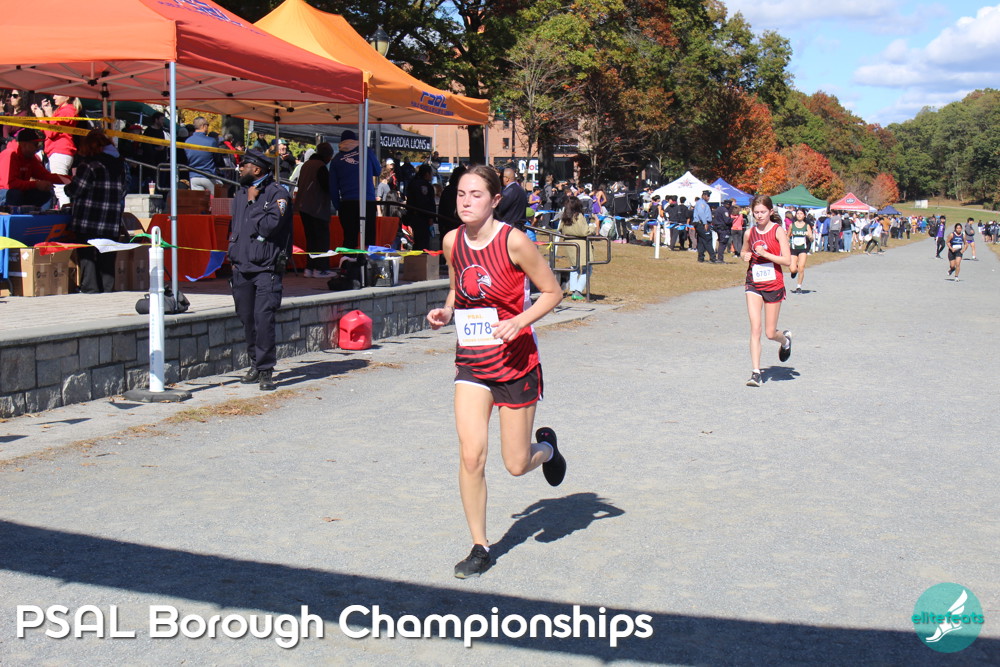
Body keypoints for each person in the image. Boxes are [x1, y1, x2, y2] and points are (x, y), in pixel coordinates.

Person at [425, 164, 565, 579]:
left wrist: (520, 321)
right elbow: (458, 288)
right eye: (460, 194)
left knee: (516, 464)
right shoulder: (452, 241)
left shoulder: (514, 242)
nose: (466, 202)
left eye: (476, 195)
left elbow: (552, 291)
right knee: (471, 455)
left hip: (516, 361)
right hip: (472, 360)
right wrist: (446, 310)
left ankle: (548, 450)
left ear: (494, 200)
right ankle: (480, 546)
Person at [228, 150, 293, 392]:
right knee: (247, 318)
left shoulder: (278, 193)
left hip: (266, 267)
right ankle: (254, 363)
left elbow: (269, 226)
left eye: (243, 165)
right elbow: (235, 227)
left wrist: (253, 203)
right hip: (241, 266)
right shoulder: (241, 193)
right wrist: (233, 254)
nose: (239, 169)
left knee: (263, 318)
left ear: (256, 169)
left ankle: (266, 370)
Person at [63, 130, 128, 294]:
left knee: (87, 255)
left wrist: (66, 187)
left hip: (89, 219)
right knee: (107, 257)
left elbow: (75, 190)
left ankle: (90, 288)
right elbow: (124, 190)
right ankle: (107, 290)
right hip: (111, 219)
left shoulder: (89, 165)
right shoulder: (121, 165)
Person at [741, 195, 792, 387]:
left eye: (763, 212)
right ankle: (756, 372)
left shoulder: (778, 231)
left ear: (771, 212)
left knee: (770, 333)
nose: (759, 215)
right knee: (755, 328)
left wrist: (766, 254)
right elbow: (743, 251)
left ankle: (785, 341)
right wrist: (744, 255)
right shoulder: (749, 233)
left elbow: (787, 260)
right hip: (753, 283)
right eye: (756, 212)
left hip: (773, 284)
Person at [328, 130, 380, 250]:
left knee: (349, 239)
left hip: (347, 203)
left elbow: (333, 187)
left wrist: (338, 206)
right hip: (367, 201)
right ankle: (366, 261)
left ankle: (348, 261)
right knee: (369, 239)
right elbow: (378, 171)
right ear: (356, 140)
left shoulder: (336, 160)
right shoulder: (366, 151)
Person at [32, 94, 80, 207]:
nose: (53, 97)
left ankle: (65, 212)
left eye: (57, 94)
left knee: (60, 188)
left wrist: (42, 117)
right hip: (57, 152)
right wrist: (48, 114)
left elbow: (51, 132)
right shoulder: (63, 111)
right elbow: (50, 129)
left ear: (67, 97)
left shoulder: (67, 111)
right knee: (58, 187)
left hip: (60, 152)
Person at [295, 141, 334, 278]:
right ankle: (320, 268)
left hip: (303, 206)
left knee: (310, 238)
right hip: (316, 207)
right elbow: (326, 186)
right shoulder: (320, 167)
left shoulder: (306, 165)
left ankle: (309, 268)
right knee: (321, 238)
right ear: (327, 156)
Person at [0, 128, 60, 209]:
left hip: (18, 192)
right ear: (24, 144)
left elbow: (47, 176)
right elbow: (10, 184)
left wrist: (70, 180)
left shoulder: (30, 158)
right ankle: (13, 214)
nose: (37, 148)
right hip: (5, 192)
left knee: (45, 193)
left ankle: (36, 214)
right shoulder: (10, 154)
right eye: (35, 144)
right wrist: (36, 184)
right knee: (14, 193)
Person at [558, 195, 593, 300]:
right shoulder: (579, 216)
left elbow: (560, 229)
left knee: (574, 267)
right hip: (581, 244)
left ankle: (573, 289)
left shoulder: (564, 216)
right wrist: (593, 228)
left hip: (569, 244)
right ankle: (578, 291)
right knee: (587, 268)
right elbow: (584, 231)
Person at [183, 116, 221, 191]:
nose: (208, 127)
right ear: (203, 126)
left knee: (199, 198)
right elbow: (217, 158)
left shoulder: (187, 141)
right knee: (220, 194)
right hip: (208, 175)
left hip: (193, 177)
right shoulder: (211, 141)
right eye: (207, 125)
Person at [404, 163, 436, 250]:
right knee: (423, 243)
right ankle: (422, 257)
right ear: (427, 174)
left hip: (413, 216)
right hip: (423, 217)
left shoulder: (412, 183)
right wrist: (431, 217)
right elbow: (429, 203)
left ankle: (416, 257)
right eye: (431, 174)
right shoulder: (426, 186)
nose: (432, 176)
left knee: (416, 241)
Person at [495, 167, 528, 232]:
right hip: (520, 227)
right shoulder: (521, 190)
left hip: (509, 227)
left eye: (501, 177)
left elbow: (500, 210)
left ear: (506, 179)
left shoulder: (508, 192)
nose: (500, 179)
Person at [787, 208, 813, 294]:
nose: (799, 215)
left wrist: (809, 236)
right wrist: (787, 243)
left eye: (801, 213)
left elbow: (812, 238)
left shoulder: (807, 226)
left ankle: (799, 287)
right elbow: (787, 236)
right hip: (793, 249)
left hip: (803, 249)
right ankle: (794, 271)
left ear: (804, 215)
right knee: (792, 269)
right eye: (798, 213)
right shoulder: (792, 225)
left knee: (801, 267)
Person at [693, 189, 714, 261]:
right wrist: (705, 223)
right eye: (707, 196)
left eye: (709, 196)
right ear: (704, 195)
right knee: (708, 239)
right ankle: (713, 257)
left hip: (702, 223)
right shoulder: (701, 203)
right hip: (702, 223)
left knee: (701, 241)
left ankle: (701, 257)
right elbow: (701, 213)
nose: (708, 197)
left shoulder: (704, 203)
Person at [712, 198, 733, 263]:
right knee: (723, 243)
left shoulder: (718, 209)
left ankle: (718, 258)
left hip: (718, 228)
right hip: (723, 229)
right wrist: (733, 219)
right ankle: (720, 258)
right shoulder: (725, 210)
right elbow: (727, 220)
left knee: (721, 242)